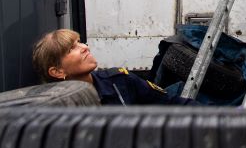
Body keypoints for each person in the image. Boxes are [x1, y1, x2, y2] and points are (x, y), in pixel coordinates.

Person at [32, 29, 193, 105]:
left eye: (79, 42)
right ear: (57, 71)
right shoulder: (52, 109)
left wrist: (215, 119)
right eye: (71, 49)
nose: (84, 47)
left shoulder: (120, 81)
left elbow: (171, 104)